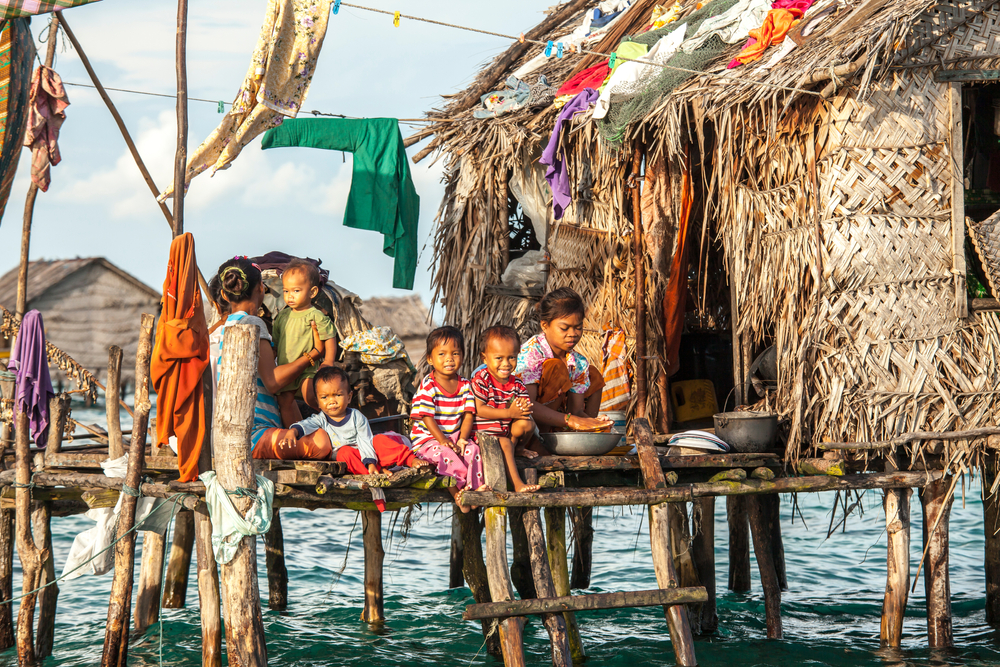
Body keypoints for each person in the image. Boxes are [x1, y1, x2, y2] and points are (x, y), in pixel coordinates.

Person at [212, 256, 329, 460]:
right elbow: (273, 382)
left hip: (227, 435)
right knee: (322, 442)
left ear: (223, 294)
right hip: (252, 436)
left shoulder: (222, 329)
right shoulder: (253, 324)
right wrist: (314, 354)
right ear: (261, 288)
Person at [275, 365, 430, 475]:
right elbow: (306, 425)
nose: (332, 401)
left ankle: (410, 459)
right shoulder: (321, 419)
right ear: (318, 402)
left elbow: (365, 441)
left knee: (380, 441)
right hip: (350, 458)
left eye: (337, 395)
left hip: (368, 452)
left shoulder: (356, 417)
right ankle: (372, 474)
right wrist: (293, 431)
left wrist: (370, 461)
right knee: (344, 453)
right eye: (325, 397)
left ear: (349, 397)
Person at [410, 326, 490, 512]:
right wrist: (443, 440)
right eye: (442, 354)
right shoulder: (428, 386)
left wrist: (462, 438)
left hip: (453, 437)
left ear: (462, 355)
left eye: (455, 353)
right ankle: (459, 495)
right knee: (447, 456)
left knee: (473, 449)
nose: (449, 359)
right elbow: (427, 418)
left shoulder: (464, 385)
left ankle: (475, 490)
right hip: (428, 441)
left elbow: (468, 414)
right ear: (430, 359)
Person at [515, 287, 610, 438]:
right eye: (564, 328)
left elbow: (576, 411)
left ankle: (578, 435)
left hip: (562, 422)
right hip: (527, 425)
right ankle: (542, 439)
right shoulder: (530, 354)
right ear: (545, 325)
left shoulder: (578, 362)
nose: (572, 334)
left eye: (578, 328)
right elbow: (527, 405)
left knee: (593, 375)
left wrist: (593, 423)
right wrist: (569, 420)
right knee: (556, 368)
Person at [471, 326, 540, 493]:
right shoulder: (481, 380)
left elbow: (523, 407)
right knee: (505, 443)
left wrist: (522, 409)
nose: (506, 364)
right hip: (483, 436)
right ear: (485, 358)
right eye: (499, 358)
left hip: (505, 433)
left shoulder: (517, 384)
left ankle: (518, 449)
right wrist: (509, 413)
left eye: (511, 358)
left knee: (527, 424)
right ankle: (518, 484)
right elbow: (479, 409)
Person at [271, 259, 337, 426]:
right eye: (286, 291)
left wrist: (328, 361)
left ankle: (332, 424)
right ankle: (296, 433)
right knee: (284, 402)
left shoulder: (315, 315)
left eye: (296, 290)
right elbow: (276, 344)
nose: (290, 296)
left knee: (311, 396)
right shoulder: (282, 317)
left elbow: (329, 337)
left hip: (308, 368)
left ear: (312, 292)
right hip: (287, 369)